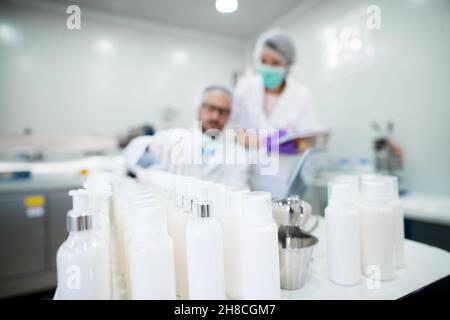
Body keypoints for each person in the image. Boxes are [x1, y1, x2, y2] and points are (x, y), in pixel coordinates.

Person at [230, 28, 326, 195]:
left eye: (275, 63)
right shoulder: (245, 87)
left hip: (282, 177)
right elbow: (236, 133)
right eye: (263, 60)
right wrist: (267, 141)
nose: (267, 67)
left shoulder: (301, 94)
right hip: (247, 174)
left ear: (287, 65)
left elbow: (307, 140)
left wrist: (294, 146)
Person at [124, 85, 250, 189]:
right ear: (199, 109)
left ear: (229, 116)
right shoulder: (173, 140)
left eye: (222, 111)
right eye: (211, 108)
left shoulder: (237, 153)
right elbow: (133, 158)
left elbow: (239, 192)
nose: (215, 116)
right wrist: (150, 149)